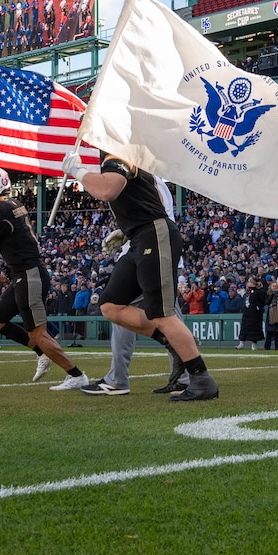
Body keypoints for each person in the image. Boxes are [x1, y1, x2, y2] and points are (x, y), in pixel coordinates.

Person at [63, 151, 217, 401]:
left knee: (162, 314)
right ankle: (172, 344)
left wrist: (78, 172)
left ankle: (201, 379)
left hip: (153, 236)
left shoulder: (120, 153)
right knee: (111, 305)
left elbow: (107, 191)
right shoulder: (131, 161)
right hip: (140, 238)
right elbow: (145, 202)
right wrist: (125, 232)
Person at [0, 165, 88, 390]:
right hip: (23, 274)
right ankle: (41, 352)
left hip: (29, 274)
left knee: (38, 333)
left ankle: (76, 375)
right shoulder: (11, 206)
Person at [80, 174, 179, 397]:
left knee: (119, 307)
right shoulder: (149, 180)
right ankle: (185, 371)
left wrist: (78, 172)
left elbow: (157, 215)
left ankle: (118, 379)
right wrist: (126, 234)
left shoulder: (146, 180)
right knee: (168, 315)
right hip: (146, 251)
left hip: (151, 251)